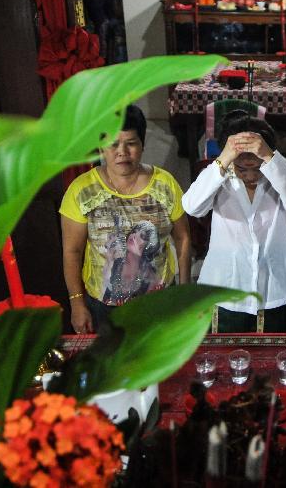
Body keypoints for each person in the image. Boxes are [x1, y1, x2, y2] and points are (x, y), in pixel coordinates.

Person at [60, 105, 191, 332]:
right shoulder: (82, 190)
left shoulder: (165, 185)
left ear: (142, 144)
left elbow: (183, 237)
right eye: (113, 144)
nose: (122, 152)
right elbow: (72, 251)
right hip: (103, 307)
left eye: (131, 143)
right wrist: (77, 303)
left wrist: (184, 291)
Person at [182, 112, 286, 332]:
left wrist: (270, 158)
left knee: (279, 352)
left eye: (257, 168)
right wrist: (223, 159)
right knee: (224, 353)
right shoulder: (219, 176)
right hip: (226, 288)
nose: (250, 175)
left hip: (275, 289)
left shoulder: (279, 173)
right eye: (241, 168)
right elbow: (192, 206)